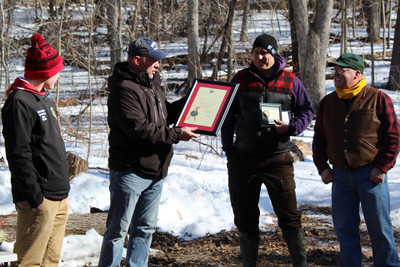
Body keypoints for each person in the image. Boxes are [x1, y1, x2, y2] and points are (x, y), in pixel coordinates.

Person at [98, 38, 199, 267]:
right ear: (137, 60)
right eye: (154, 60)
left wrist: (193, 100)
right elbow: (141, 130)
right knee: (117, 231)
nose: (158, 65)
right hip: (130, 172)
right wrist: (176, 135)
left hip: (156, 171)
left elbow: (166, 114)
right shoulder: (123, 90)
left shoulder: (151, 84)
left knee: (144, 229)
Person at [221, 33, 314, 266]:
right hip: (243, 160)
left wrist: (293, 127)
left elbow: (306, 110)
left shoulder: (290, 80)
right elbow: (226, 115)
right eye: (255, 53)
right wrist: (229, 150)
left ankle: (300, 262)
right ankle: (249, 262)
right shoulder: (241, 79)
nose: (259, 57)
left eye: (264, 53)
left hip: (278, 159)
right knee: (245, 218)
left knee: (290, 217)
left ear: (273, 54)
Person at [312, 53, 400, 267]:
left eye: (342, 71)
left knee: (380, 230)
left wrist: (382, 167)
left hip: (371, 176)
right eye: (335, 71)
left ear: (357, 74)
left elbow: (394, 136)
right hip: (340, 175)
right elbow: (319, 139)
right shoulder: (328, 103)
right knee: (345, 231)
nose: (336, 75)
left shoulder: (378, 98)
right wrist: (323, 167)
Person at [1, 33, 69, 266]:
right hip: (39, 200)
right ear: (46, 71)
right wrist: (34, 197)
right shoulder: (19, 101)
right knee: (29, 262)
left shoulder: (43, 97)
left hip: (59, 196)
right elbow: (18, 154)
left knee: (51, 260)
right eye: (57, 70)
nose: (59, 76)